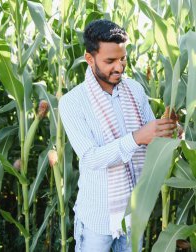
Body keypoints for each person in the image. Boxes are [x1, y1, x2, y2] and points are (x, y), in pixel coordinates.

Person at [58, 19, 177, 251]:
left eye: (122, 58)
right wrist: (136, 138)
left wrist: (171, 130)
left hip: (133, 213)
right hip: (97, 220)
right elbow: (91, 158)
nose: (119, 67)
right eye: (110, 61)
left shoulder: (135, 90)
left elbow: (152, 135)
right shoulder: (72, 102)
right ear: (89, 59)